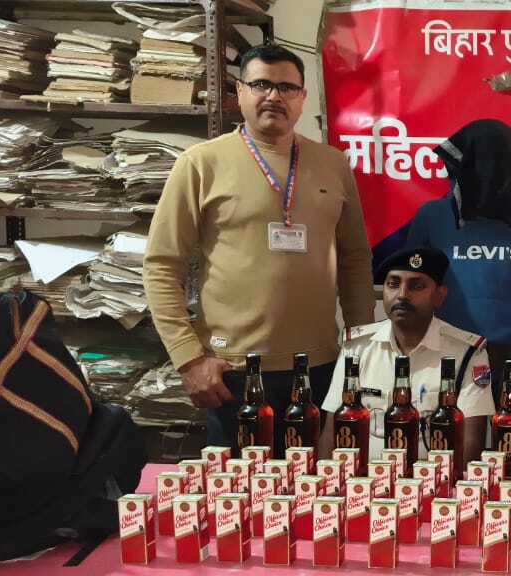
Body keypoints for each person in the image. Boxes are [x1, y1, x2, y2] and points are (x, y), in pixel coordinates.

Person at [143, 43, 374, 453]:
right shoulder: (200, 164)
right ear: (240, 91)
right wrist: (189, 358)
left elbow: (355, 259)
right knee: (242, 488)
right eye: (261, 84)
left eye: (287, 87)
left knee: (319, 483)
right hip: (232, 372)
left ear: (302, 97)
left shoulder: (333, 164)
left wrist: (360, 351)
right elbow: (161, 265)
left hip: (320, 367)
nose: (274, 96)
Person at [403, 119, 511, 417]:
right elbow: (410, 293)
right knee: (451, 448)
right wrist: (412, 360)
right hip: (448, 365)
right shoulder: (432, 217)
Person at [319, 245, 494, 463]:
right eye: (393, 284)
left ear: (440, 296)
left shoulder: (467, 354)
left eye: (416, 286)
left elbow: (471, 443)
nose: (402, 295)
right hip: (364, 478)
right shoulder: (357, 348)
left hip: (434, 480)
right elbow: (331, 431)